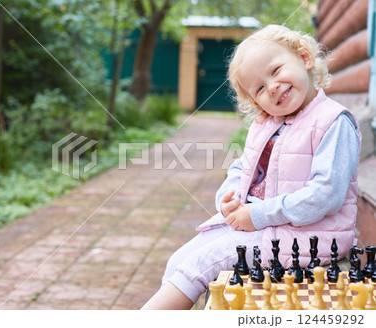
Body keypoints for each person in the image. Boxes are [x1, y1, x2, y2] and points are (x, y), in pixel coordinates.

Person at [141, 24, 361, 310]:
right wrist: (229, 197)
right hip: (270, 227)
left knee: (203, 262)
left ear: (304, 57)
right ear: (254, 100)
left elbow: (325, 195)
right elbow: (242, 168)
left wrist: (256, 214)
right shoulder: (268, 124)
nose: (272, 86)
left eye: (276, 70)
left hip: (312, 237)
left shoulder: (334, 121)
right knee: (179, 260)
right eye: (259, 88)